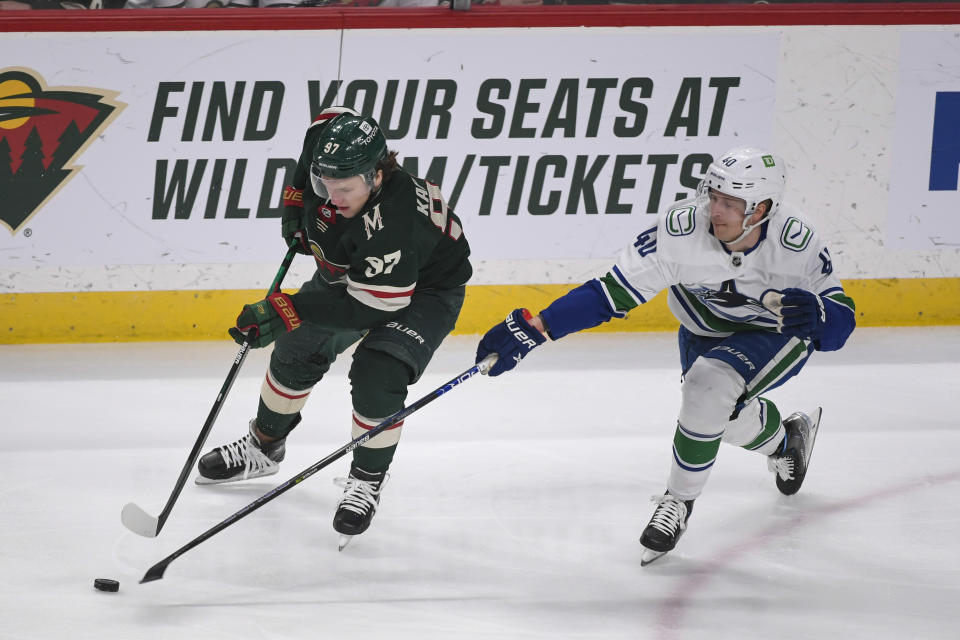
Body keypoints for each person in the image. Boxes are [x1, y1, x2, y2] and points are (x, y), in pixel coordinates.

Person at [475, 147, 855, 565]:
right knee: (716, 414)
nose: (716, 210)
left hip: (772, 336)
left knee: (708, 387)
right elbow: (610, 293)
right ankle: (786, 441)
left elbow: (840, 324)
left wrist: (821, 316)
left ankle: (678, 504)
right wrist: (538, 328)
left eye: (731, 203)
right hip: (701, 329)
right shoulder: (680, 229)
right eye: (714, 196)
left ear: (762, 208)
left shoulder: (796, 244)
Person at [195, 106, 472, 550]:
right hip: (355, 273)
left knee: (378, 372)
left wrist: (289, 308)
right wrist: (295, 200)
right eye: (327, 185)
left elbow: (368, 306)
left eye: (345, 189)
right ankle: (263, 450)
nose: (332, 196)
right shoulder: (334, 143)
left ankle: (365, 480)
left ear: (377, 176)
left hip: (420, 291)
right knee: (294, 350)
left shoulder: (395, 224)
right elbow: (321, 128)